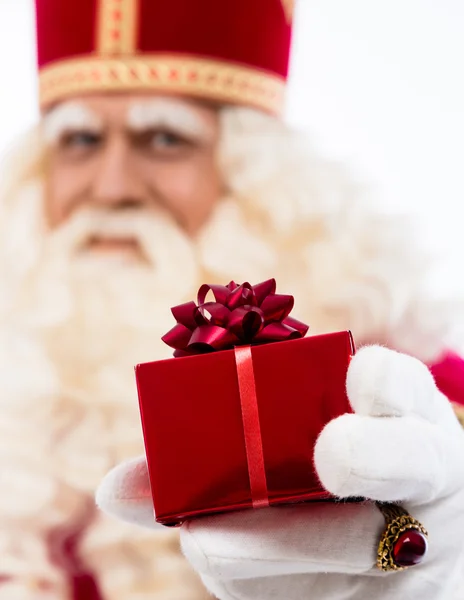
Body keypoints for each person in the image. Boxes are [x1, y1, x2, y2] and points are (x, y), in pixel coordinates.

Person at [0, 0, 463, 599]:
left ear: (259, 175)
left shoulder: (410, 394)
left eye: (164, 138)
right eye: (81, 139)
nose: (111, 187)